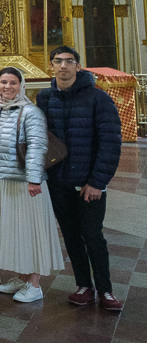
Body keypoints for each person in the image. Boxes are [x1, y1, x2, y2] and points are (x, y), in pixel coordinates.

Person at [37, 45, 124, 311]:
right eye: (58, 61)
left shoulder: (98, 98)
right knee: (72, 236)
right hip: (59, 182)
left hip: (89, 184)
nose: (63, 66)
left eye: (69, 61)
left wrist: (98, 181)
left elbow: (110, 142)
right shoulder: (44, 98)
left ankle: (106, 290)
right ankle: (84, 286)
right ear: (51, 65)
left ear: (78, 66)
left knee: (93, 235)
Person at [0, 67, 63, 303]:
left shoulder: (31, 112)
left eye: (13, 83)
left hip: (27, 184)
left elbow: (37, 147)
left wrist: (33, 179)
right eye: (3, 82)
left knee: (31, 231)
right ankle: (22, 277)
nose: (7, 87)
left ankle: (35, 284)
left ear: (22, 86)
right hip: (3, 180)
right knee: (15, 231)